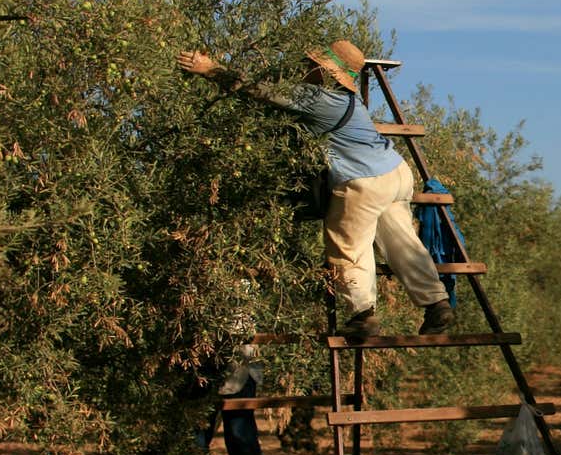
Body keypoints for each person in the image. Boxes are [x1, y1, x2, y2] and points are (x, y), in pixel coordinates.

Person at [176, 40, 454, 338]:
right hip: (395, 173)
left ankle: (363, 316)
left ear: (326, 71)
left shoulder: (320, 98)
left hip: (363, 180)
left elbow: (262, 91)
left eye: (312, 65)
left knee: (348, 246)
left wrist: (211, 69)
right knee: (402, 243)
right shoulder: (350, 100)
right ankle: (437, 304)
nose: (306, 68)